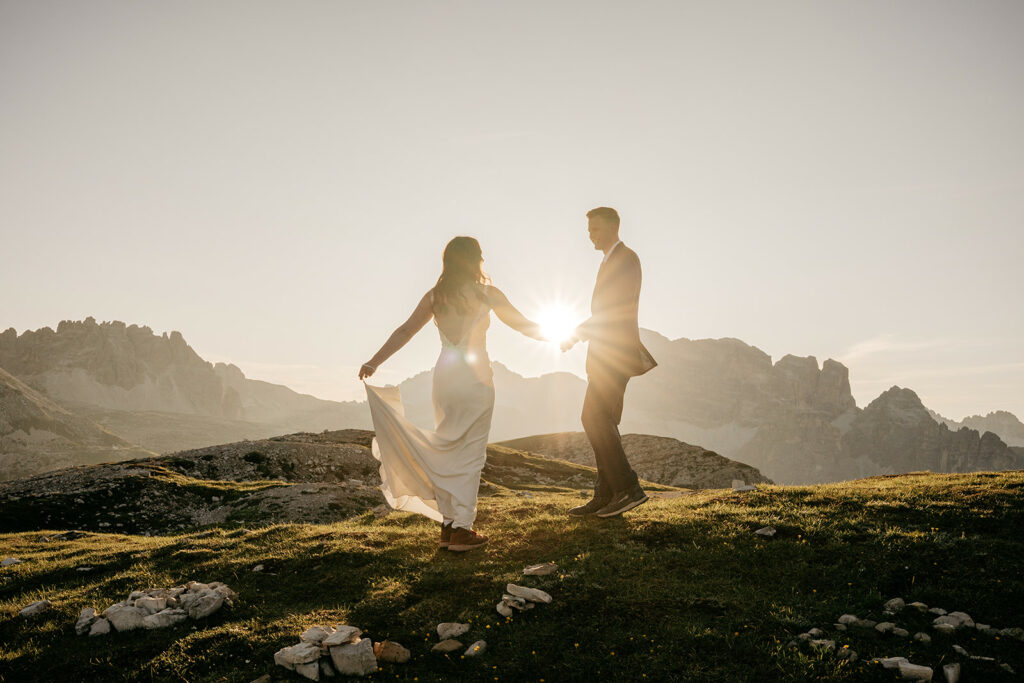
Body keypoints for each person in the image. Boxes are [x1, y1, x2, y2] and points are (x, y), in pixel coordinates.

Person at [359, 236, 543, 551]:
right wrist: (560, 338)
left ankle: (448, 525)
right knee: (470, 453)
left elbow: (405, 330)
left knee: (446, 446)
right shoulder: (488, 294)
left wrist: (374, 361)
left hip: (445, 378)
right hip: (476, 379)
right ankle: (461, 529)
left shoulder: (435, 296)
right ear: (476, 260)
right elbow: (522, 325)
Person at [561, 207, 657, 518]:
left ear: (613, 228)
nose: (590, 235)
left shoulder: (626, 259)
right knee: (604, 420)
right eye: (589, 230)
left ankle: (628, 488)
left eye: (595, 229)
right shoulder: (609, 261)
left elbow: (613, 310)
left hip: (615, 354)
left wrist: (576, 334)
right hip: (605, 354)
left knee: (593, 417)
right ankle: (605, 494)